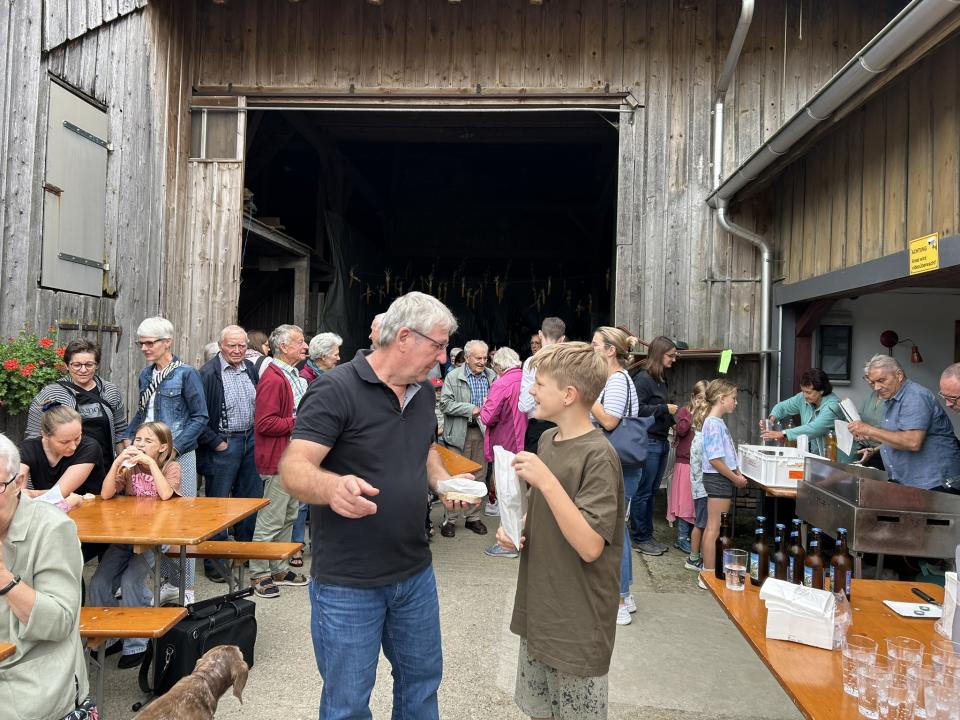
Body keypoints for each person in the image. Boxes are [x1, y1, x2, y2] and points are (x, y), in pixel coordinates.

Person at [278, 291, 471, 720]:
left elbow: (425, 449)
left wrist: (441, 481)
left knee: (421, 686)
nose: (442, 357)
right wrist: (331, 489)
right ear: (404, 336)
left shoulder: (421, 392)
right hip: (349, 581)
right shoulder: (335, 388)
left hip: (414, 571)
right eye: (437, 345)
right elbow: (293, 467)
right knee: (347, 704)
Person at [494, 342, 623, 720]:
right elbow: (545, 514)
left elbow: (589, 546)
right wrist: (517, 528)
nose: (530, 390)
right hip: (540, 611)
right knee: (540, 712)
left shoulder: (599, 455)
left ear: (568, 395)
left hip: (577, 622)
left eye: (539, 383)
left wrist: (546, 481)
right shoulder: (548, 440)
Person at [0, 433, 94, 719]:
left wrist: (4, 579)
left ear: (18, 484)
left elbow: (60, 621)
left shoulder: (52, 529)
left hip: (36, 671)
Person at [127, 316, 208, 605]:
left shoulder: (186, 374)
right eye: (142, 344)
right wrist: (126, 438)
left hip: (178, 454)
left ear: (167, 342)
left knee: (179, 521)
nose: (145, 348)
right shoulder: (145, 375)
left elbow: (201, 418)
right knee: (150, 516)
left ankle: (183, 586)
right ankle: (165, 579)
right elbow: (142, 414)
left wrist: (174, 449)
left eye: (150, 343)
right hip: (146, 452)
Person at [88, 421, 182, 668]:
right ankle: (110, 635)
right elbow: (106, 494)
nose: (140, 445)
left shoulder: (171, 467)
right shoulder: (128, 468)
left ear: (163, 447)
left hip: (154, 539)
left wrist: (151, 464)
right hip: (124, 537)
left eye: (148, 441)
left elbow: (166, 495)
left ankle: (137, 642)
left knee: (131, 581)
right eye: (138, 440)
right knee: (99, 582)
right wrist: (118, 463)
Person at [249, 324, 310, 598]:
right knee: (271, 519)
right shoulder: (274, 378)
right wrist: (299, 422)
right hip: (277, 460)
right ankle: (259, 574)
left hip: (293, 459)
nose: (305, 346)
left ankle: (279, 567)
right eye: (300, 342)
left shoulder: (291, 375)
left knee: (288, 515)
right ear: (284, 347)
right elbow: (264, 423)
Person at [197, 325, 260, 583]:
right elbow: (197, 414)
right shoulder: (207, 373)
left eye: (242, 346)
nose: (237, 351)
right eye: (232, 346)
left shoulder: (251, 369)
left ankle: (243, 554)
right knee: (218, 505)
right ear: (221, 345)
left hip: (250, 441)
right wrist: (215, 442)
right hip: (224, 443)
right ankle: (216, 563)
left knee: (249, 501)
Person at [588, 326, 641, 627]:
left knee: (614, 530)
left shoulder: (618, 380)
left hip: (620, 464)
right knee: (621, 528)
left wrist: (586, 395)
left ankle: (619, 598)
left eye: (595, 344)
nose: (591, 347)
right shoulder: (614, 379)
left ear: (610, 350)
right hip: (620, 462)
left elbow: (609, 420)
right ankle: (626, 593)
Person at [848, 355, 960, 491]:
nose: (876, 387)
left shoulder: (915, 396)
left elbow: (912, 442)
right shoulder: (892, 398)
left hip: (934, 482)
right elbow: (897, 435)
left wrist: (869, 430)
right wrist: (874, 446)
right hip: (909, 481)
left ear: (899, 375)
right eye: (872, 383)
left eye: (881, 380)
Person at [19, 404, 107, 564]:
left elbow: (59, 493)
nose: (73, 446)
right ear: (45, 435)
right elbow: (16, 495)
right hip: (52, 522)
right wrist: (26, 495)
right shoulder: (28, 449)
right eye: (64, 441)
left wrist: (32, 494)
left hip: (94, 524)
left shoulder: (89, 447)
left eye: (77, 437)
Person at [25, 337, 128, 464]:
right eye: (77, 365)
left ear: (97, 365)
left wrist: (125, 465)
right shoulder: (51, 395)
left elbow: (120, 431)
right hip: (64, 469)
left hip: (104, 468)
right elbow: (35, 435)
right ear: (66, 365)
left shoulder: (110, 392)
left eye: (89, 364)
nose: (83, 370)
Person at [438, 339, 496, 537]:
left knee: (479, 476)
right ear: (467, 357)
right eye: (478, 358)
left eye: (485, 358)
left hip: (483, 432)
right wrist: (470, 409)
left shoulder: (492, 376)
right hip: (459, 432)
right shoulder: (453, 376)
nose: (482, 361)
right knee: (455, 477)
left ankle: (473, 518)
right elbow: (444, 404)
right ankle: (450, 520)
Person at [629, 336, 679, 556]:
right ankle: (639, 537)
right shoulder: (643, 378)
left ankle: (647, 535)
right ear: (659, 354)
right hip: (647, 441)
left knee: (651, 492)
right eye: (671, 355)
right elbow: (636, 409)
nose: (674, 359)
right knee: (643, 492)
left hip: (660, 440)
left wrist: (674, 423)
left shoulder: (660, 378)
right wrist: (664, 409)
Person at [479, 346, 527, 558]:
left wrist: (482, 407)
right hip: (526, 442)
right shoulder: (526, 378)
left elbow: (487, 417)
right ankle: (522, 535)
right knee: (523, 493)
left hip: (505, 444)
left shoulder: (502, 383)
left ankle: (508, 543)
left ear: (498, 366)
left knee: (507, 494)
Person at [699, 379, 747, 580]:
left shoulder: (717, 423)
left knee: (716, 526)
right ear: (722, 399)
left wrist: (736, 472)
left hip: (721, 477)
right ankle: (708, 573)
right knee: (714, 527)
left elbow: (725, 455)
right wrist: (735, 478)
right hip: (717, 478)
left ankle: (710, 569)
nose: (735, 402)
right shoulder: (712, 424)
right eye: (733, 398)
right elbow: (715, 459)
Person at [761, 368, 848, 459]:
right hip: (816, 456)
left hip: (838, 458)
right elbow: (782, 407)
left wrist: (783, 433)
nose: (805, 396)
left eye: (808, 392)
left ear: (821, 390)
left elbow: (815, 428)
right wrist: (772, 420)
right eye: (803, 391)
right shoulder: (803, 398)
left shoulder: (833, 406)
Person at [518, 317, 567, 452]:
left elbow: (524, 406)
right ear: (562, 339)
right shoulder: (569, 361)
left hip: (538, 427)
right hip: (563, 426)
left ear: (540, 334)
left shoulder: (531, 362)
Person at [669, 382, 703, 555]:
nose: (701, 402)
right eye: (699, 398)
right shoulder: (685, 412)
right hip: (685, 463)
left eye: (705, 399)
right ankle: (682, 538)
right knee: (684, 502)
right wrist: (692, 413)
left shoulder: (707, 416)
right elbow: (681, 431)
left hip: (699, 464)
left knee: (694, 502)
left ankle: (689, 537)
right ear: (693, 397)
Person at [684, 382, 709, 575]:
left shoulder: (697, 439)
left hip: (699, 487)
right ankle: (694, 558)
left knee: (700, 523)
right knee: (702, 524)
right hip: (704, 488)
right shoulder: (702, 440)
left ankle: (695, 556)